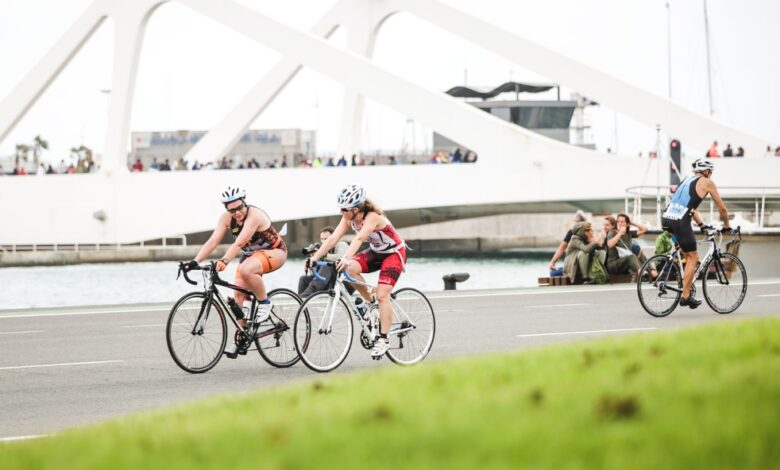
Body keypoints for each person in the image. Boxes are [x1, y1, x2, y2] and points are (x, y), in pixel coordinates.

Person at [184, 186, 287, 356]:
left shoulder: (254, 216)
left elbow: (239, 243)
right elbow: (213, 241)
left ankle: (265, 303)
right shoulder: (226, 218)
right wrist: (194, 261)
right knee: (237, 296)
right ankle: (240, 338)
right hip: (251, 256)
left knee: (246, 269)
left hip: (275, 253)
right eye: (232, 210)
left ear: (244, 202)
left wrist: (225, 260)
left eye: (239, 208)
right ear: (227, 209)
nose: (237, 212)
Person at [306, 184, 406, 358]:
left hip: (394, 253)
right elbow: (332, 239)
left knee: (383, 294)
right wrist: (314, 259)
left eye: (344, 209)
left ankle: (384, 339)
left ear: (356, 208)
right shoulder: (348, 218)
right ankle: (371, 302)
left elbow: (359, 238)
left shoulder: (372, 216)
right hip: (376, 252)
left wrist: (345, 257)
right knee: (349, 270)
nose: (341, 212)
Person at [661, 158, 730, 308]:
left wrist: (701, 225)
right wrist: (727, 225)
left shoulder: (686, 180)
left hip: (667, 218)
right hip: (680, 220)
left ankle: (684, 286)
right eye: (710, 172)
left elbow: (690, 207)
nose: (711, 175)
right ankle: (686, 297)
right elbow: (722, 209)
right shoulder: (707, 182)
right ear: (706, 171)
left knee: (687, 254)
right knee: (693, 257)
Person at [298, 227, 348, 298]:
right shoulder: (323, 250)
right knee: (303, 279)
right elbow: (318, 272)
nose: (324, 242)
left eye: (326, 239)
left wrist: (324, 255)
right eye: (322, 239)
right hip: (329, 282)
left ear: (333, 237)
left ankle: (305, 296)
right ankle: (300, 300)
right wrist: (311, 262)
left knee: (327, 265)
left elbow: (341, 257)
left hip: (344, 283)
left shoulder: (341, 244)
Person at [604, 214, 655, 278]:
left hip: (625, 264)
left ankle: (654, 274)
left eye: (622, 222)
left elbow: (644, 229)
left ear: (627, 224)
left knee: (640, 254)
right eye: (618, 221)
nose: (619, 223)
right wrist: (620, 233)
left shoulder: (629, 233)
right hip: (613, 265)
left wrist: (631, 222)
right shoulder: (613, 232)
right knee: (631, 257)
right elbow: (610, 245)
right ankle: (643, 274)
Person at [548, 210, 587, 274]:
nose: (572, 222)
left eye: (573, 220)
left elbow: (562, 248)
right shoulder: (588, 232)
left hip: (574, 268)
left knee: (553, 273)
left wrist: (552, 262)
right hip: (585, 268)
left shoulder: (572, 232)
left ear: (577, 222)